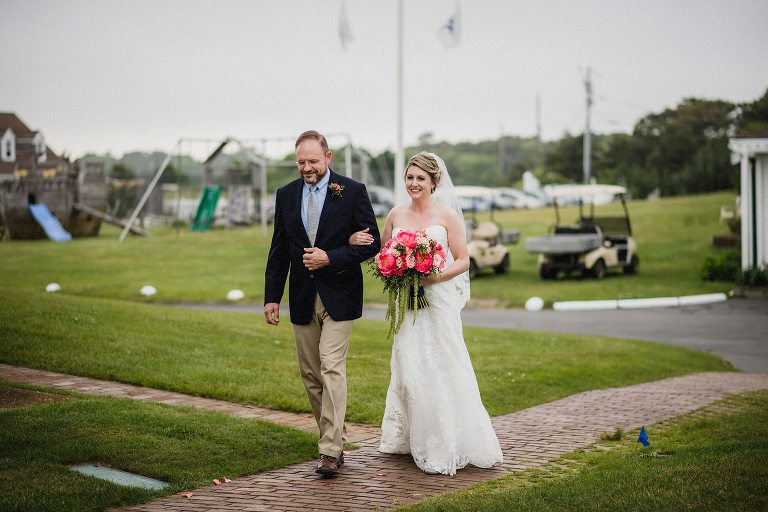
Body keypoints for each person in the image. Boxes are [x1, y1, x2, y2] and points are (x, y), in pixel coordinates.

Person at [350, 151, 502, 475]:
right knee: (409, 368)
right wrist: (395, 269)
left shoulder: (447, 216)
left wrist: (434, 276)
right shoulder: (395, 214)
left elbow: (463, 259)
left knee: (445, 364)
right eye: (410, 177)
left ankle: (446, 441)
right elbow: (383, 256)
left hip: (439, 300)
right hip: (408, 304)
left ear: (434, 182)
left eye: (421, 178)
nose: (414, 183)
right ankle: (411, 437)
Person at [264, 130, 380, 477]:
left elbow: (371, 242)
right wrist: (272, 296)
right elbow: (279, 248)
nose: (306, 167)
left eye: (313, 161)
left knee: (331, 366)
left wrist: (331, 257)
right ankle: (335, 436)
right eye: (301, 161)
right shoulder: (285, 195)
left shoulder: (352, 191)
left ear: (328, 158)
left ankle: (330, 451)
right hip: (301, 296)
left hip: (340, 295)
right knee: (311, 375)